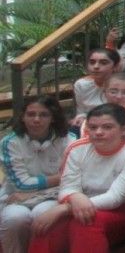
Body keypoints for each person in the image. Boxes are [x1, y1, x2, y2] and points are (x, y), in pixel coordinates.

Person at [28, 104, 125, 253]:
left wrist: (66, 208)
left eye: (107, 127)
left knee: (87, 221)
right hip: (79, 205)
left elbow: (115, 197)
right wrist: (75, 197)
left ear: (124, 130)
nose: (98, 132)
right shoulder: (77, 148)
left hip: (122, 210)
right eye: (93, 127)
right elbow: (67, 187)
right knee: (45, 225)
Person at [0, 97, 72, 253]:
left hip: (53, 195)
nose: (36, 119)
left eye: (44, 115)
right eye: (31, 114)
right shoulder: (9, 142)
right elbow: (21, 184)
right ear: (23, 117)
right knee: (14, 218)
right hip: (16, 196)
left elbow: (73, 178)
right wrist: (59, 178)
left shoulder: (69, 140)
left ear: (53, 118)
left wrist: (36, 192)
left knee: (42, 214)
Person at [71, 48, 121, 129]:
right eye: (92, 62)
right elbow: (81, 110)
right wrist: (81, 117)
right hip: (90, 124)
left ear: (115, 66)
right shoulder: (81, 85)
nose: (96, 66)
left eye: (103, 63)